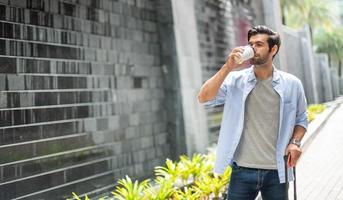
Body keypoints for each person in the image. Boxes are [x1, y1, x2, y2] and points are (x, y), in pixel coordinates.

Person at [197, 25, 308, 200]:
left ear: (273, 49)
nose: (252, 49)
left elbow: (301, 119)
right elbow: (203, 97)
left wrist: (295, 142)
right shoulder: (235, 80)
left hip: (277, 171)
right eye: (251, 44)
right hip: (242, 170)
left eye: (259, 44)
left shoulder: (292, 84)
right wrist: (228, 67)